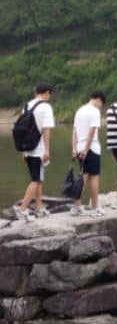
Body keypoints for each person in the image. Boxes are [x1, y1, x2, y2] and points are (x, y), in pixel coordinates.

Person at [15, 82, 55, 222]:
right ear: (47, 92)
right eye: (50, 93)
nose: (50, 96)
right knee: (36, 180)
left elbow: (21, 130)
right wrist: (47, 150)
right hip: (38, 150)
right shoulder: (46, 107)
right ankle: (23, 210)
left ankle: (39, 207)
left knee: (38, 178)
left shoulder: (27, 106)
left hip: (27, 149)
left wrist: (23, 150)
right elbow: (46, 130)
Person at [71, 91, 106, 216]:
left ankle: (77, 206)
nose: (100, 107)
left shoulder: (79, 111)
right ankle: (96, 207)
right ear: (98, 100)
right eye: (101, 104)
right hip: (91, 147)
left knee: (83, 177)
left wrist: (74, 149)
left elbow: (74, 131)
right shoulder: (94, 111)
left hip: (80, 147)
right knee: (94, 177)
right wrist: (87, 149)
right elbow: (91, 132)